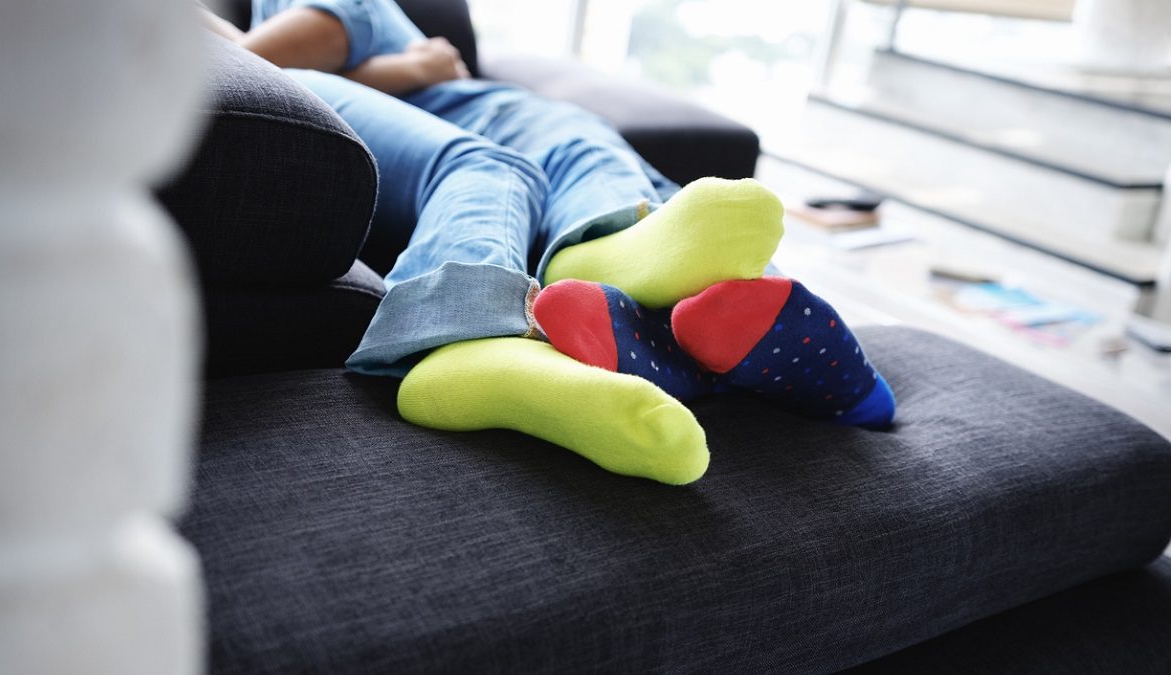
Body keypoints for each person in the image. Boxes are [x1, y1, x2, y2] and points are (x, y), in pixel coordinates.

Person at [200, 0, 895, 485]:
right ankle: (516, 313)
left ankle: (711, 325)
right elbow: (286, 54)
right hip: (482, 127)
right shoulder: (304, 33)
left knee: (637, 180)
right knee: (566, 158)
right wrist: (410, 68)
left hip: (492, 126)